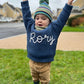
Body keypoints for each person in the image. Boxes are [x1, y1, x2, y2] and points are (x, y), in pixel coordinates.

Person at [21, 0, 74, 84]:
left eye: (43, 18)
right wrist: (24, 2)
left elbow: (62, 18)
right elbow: (26, 15)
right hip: (32, 61)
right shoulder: (30, 26)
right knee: (34, 77)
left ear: (49, 21)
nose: (39, 20)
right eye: (37, 18)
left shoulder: (54, 29)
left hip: (45, 64)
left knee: (44, 80)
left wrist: (68, 4)